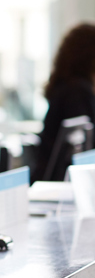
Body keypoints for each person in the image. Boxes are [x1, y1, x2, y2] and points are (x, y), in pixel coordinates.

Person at [34, 23, 95, 182]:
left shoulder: (66, 86)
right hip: (60, 182)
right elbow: (85, 144)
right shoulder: (77, 91)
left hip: (51, 179)